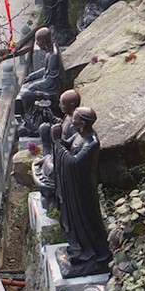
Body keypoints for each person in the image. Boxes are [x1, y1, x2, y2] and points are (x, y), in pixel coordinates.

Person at [52, 107, 112, 277]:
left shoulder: (91, 142)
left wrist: (57, 143)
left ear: (83, 123)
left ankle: (94, 255)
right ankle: (79, 250)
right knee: (73, 221)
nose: (71, 121)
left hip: (83, 192)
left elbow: (74, 163)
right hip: (72, 190)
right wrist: (57, 139)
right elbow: (67, 145)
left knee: (86, 221)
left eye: (75, 119)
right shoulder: (79, 135)